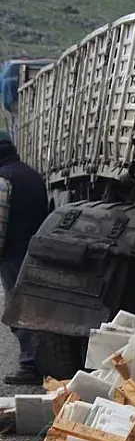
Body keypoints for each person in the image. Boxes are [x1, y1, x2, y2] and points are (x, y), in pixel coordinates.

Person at [0, 131, 47, 385]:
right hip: (36, 247)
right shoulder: (31, 174)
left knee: (18, 309)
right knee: (34, 306)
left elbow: (0, 221)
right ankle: (41, 361)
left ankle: (30, 365)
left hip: (14, 252)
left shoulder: (4, 179)